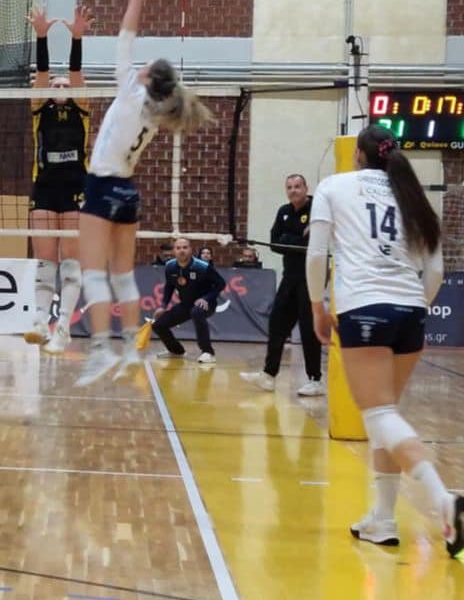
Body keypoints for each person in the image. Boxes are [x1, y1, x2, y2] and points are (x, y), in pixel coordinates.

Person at [306, 125, 458, 557]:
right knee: (385, 415)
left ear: (358, 154)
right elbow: (435, 272)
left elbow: (316, 255)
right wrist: (415, 306)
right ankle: (383, 518)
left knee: (379, 415)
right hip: (410, 310)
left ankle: (444, 501)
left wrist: (318, 307)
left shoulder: (334, 185)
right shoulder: (412, 194)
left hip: (365, 306)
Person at [75, 0, 212, 387]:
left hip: (102, 185)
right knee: (122, 275)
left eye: (147, 66)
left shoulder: (129, 93)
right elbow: (131, 45)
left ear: (148, 79)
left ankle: (101, 350)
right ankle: (134, 348)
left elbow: (125, 38)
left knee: (93, 273)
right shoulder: (154, 115)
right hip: (128, 192)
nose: (140, 65)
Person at [24, 5, 93, 354]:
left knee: (70, 260)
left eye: (65, 83)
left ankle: (63, 326)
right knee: (45, 258)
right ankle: (40, 320)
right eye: (56, 83)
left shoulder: (82, 107)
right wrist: (41, 36)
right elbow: (41, 74)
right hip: (45, 187)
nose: (61, 85)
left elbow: (77, 74)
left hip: (76, 189)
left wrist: (76, 39)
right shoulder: (40, 109)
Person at [240, 174, 324, 395]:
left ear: (306, 188)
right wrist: (293, 240)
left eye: (297, 186)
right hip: (290, 276)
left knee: (308, 328)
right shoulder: (284, 211)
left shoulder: (317, 209)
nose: (293, 190)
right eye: (289, 187)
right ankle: (269, 374)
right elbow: (274, 242)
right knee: (277, 322)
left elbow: (311, 242)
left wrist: (287, 239)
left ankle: (315, 379)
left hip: (311, 277)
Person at [151, 238, 223, 363]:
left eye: (185, 247)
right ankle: (176, 351)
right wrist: (163, 305)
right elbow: (169, 286)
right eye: (178, 248)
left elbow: (220, 284)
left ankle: (208, 352)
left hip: (206, 303)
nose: (182, 250)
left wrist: (206, 298)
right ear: (174, 251)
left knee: (197, 312)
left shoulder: (202, 266)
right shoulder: (170, 266)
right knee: (158, 325)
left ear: (190, 250)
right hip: (186, 304)